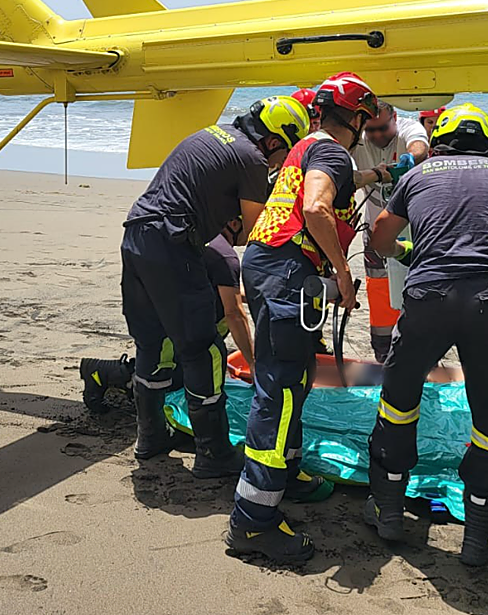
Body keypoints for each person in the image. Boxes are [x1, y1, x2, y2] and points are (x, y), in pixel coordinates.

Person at [363, 104, 488, 566]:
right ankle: (479, 535)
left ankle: (388, 511)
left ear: (441, 137)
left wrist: (410, 253)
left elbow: (379, 237)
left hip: (429, 298)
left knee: (399, 400)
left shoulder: (419, 176)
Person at [225, 72, 380, 563]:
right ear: (356, 118)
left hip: (271, 264)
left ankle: (287, 475)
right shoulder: (333, 152)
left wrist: (379, 176)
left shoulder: (307, 148)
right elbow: (316, 208)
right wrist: (342, 273)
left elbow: (323, 193)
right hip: (292, 271)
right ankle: (253, 522)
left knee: (293, 376)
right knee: (283, 392)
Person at [122, 96, 309, 479]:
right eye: (283, 153)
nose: (278, 162)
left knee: (152, 342)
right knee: (203, 349)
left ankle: (150, 437)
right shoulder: (251, 159)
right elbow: (260, 231)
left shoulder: (211, 133)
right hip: (172, 243)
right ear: (274, 141)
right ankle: (214, 453)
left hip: (137, 236)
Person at [80, 226, 255, 412]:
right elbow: (234, 313)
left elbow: (226, 288)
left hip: (168, 316)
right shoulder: (225, 258)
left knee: (166, 369)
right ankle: (101, 371)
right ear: (235, 224)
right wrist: (252, 362)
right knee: (166, 376)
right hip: (183, 327)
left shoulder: (204, 241)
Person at [352, 101, 431, 360]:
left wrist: (411, 159)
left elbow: (419, 145)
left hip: (413, 227)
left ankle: (420, 343)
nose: (377, 135)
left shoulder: (408, 129)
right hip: (376, 226)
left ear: (394, 118)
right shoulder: (358, 141)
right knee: (377, 286)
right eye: (371, 130)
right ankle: (383, 347)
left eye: (383, 128)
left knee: (418, 285)